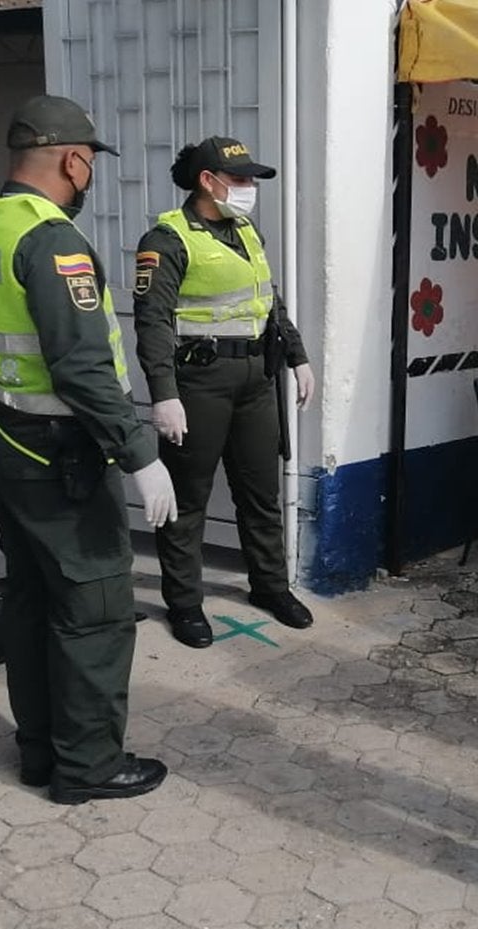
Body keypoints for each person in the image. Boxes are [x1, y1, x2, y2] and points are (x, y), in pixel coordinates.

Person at [0, 94, 176, 804]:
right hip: (60, 459)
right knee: (95, 608)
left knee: (30, 600)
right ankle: (88, 766)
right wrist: (141, 454)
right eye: (90, 163)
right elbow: (81, 368)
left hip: (3, 443)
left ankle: (40, 752)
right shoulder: (51, 241)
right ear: (75, 160)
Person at [132, 137, 316, 648]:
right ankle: (185, 604)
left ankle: (270, 587)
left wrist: (297, 355)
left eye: (251, 179)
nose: (249, 187)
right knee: (187, 500)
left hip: (257, 378)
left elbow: (268, 301)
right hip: (199, 383)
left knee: (260, 494)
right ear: (207, 181)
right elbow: (152, 321)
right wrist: (163, 394)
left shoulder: (246, 230)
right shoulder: (167, 240)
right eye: (239, 179)